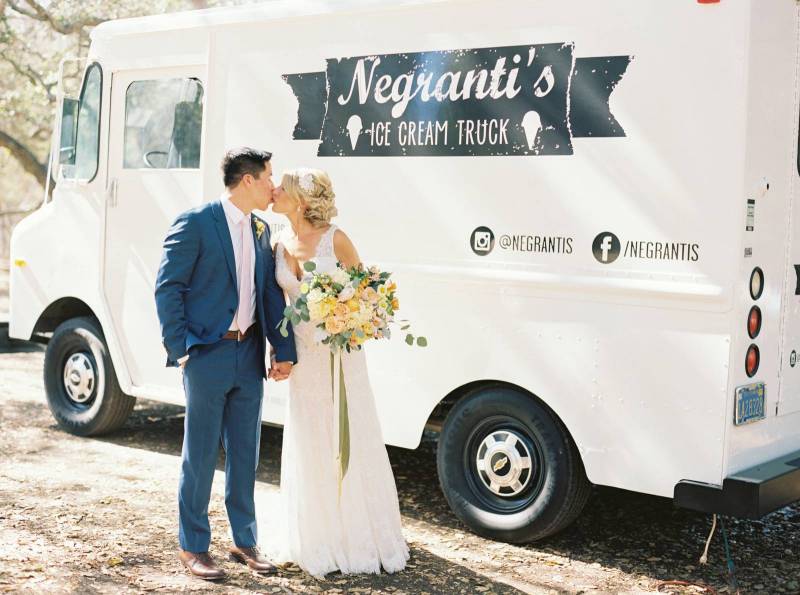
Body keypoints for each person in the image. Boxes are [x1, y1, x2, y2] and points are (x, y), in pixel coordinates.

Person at [154, 147, 297, 580]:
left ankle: (244, 540)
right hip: (206, 355)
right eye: (269, 177)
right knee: (199, 455)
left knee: (245, 455)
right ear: (248, 180)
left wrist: (284, 349)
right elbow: (168, 288)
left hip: (249, 355)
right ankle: (193, 547)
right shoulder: (196, 222)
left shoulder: (262, 229)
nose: (274, 186)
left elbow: (270, 295)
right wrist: (181, 349)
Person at [271, 168, 409, 578]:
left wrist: (347, 318)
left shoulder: (337, 239)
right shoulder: (278, 245)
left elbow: (369, 297)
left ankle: (357, 536)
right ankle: (316, 535)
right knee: (309, 435)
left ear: (300, 200)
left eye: (282, 188)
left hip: (340, 357)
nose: (274, 191)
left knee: (347, 433)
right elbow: (274, 306)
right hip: (302, 359)